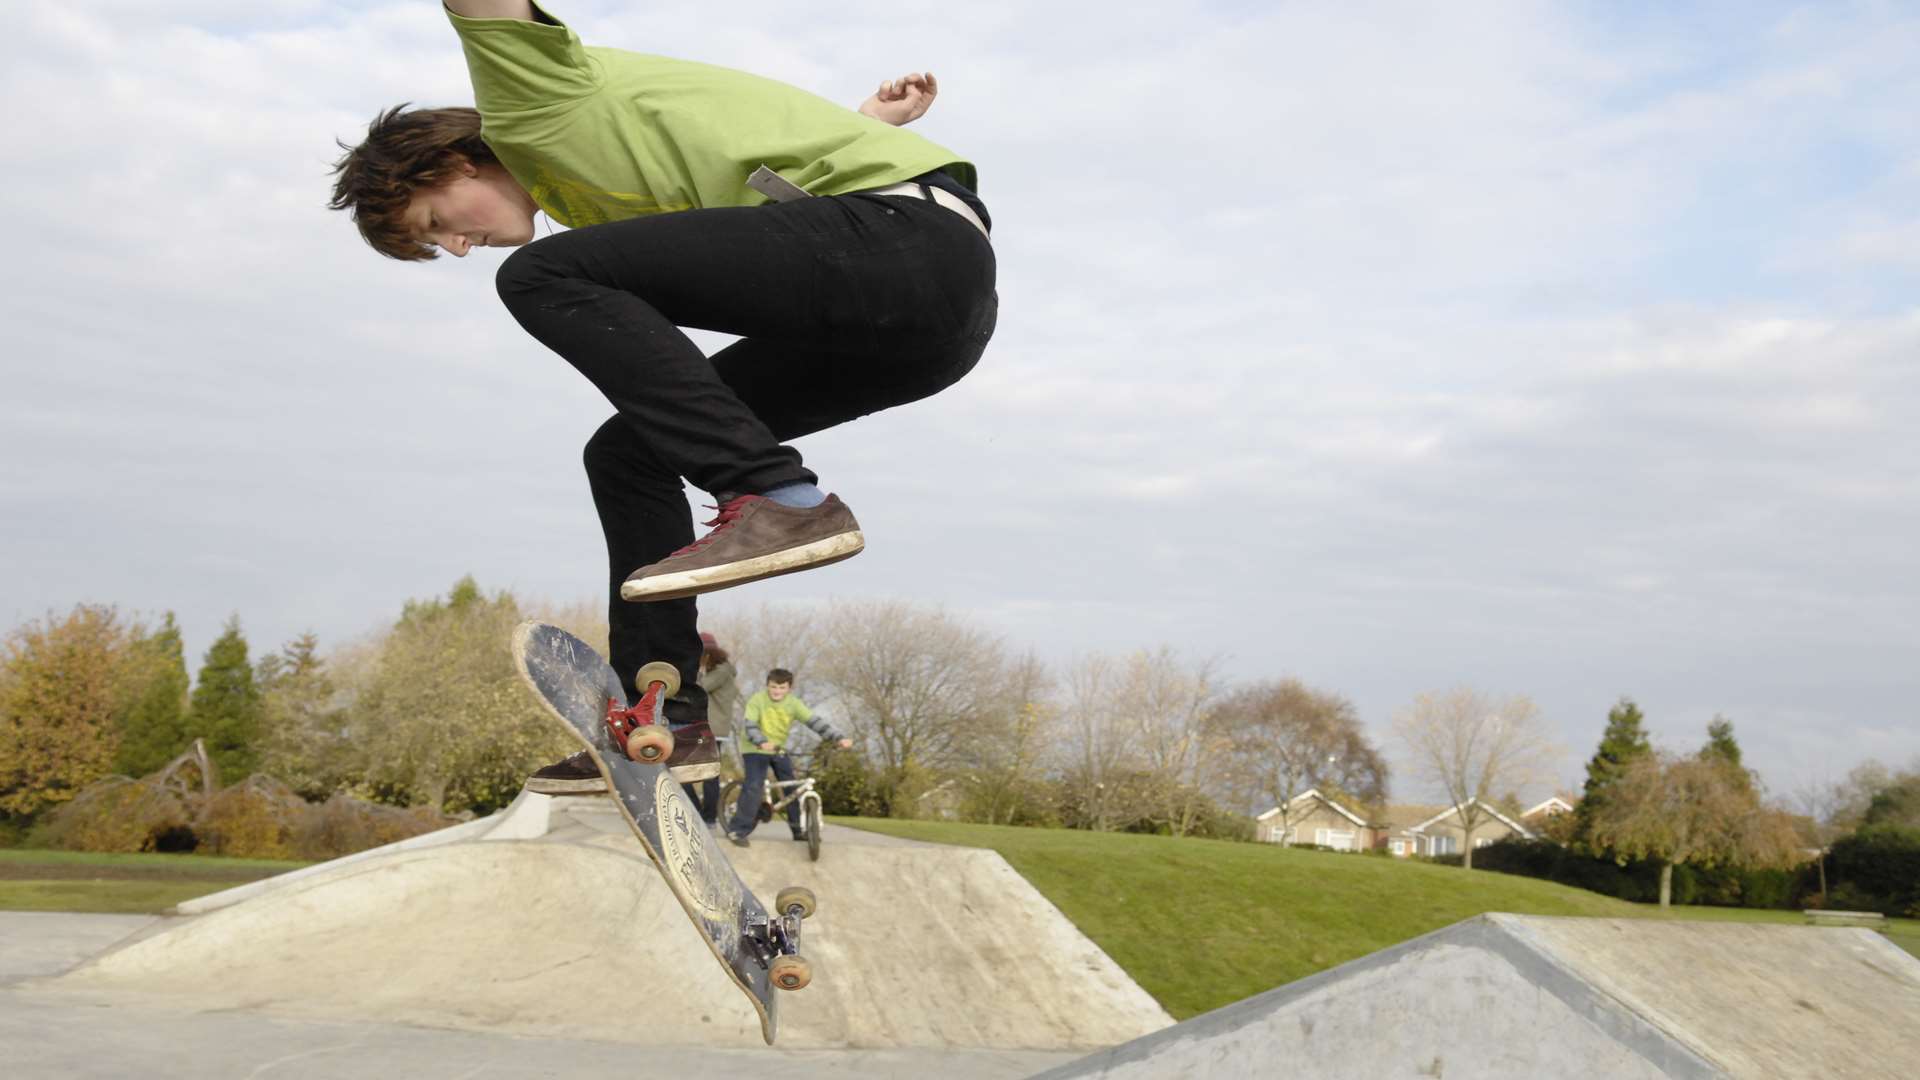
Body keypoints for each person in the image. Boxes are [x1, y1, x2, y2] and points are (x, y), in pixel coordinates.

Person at [328, 2, 994, 790]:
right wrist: (855, 128)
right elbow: (746, 213)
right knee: (627, 452)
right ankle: (668, 719)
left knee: (543, 275)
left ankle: (773, 493)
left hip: (905, 245)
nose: (459, 246)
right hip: (912, 328)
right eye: (441, 248)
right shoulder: (596, 198)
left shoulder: (530, 101)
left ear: (451, 164)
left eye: (439, 223)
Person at [726, 668, 849, 846]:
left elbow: (814, 722)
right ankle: (738, 830)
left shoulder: (793, 704)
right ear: (767, 686)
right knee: (754, 786)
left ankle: (798, 830)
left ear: (789, 688)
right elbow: (750, 725)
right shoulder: (757, 700)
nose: (777, 691)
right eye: (773, 687)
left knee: (792, 787)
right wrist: (761, 741)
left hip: (778, 749)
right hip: (754, 748)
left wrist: (838, 738)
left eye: (781, 687)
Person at [682, 632, 740, 823]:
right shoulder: (720, 670)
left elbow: (700, 688)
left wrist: (697, 670)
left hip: (714, 728)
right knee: (690, 769)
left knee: (708, 774)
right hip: (710, 727)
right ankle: (701, 813)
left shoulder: (721, 671)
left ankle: (707, 817)